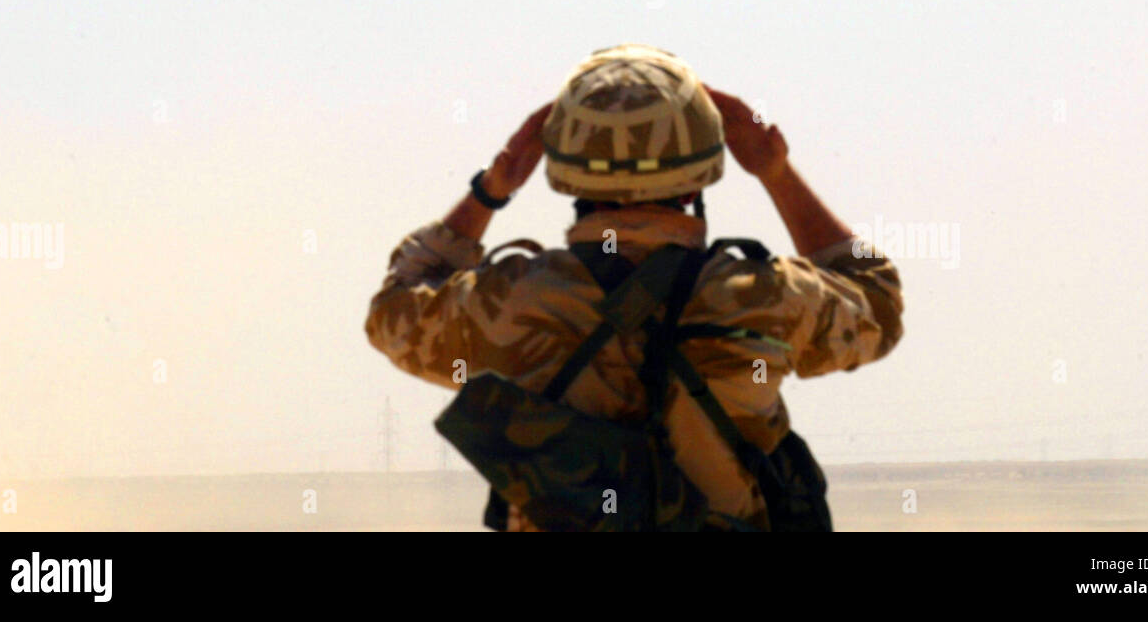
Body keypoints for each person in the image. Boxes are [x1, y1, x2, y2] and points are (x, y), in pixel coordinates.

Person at [365, 44, 903, 530]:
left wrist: (490, 191)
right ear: (700, 176)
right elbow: (876, 298)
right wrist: (775, 173)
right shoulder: (769, 298)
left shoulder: (507, 300)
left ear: (564, 171)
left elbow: (394, 310)